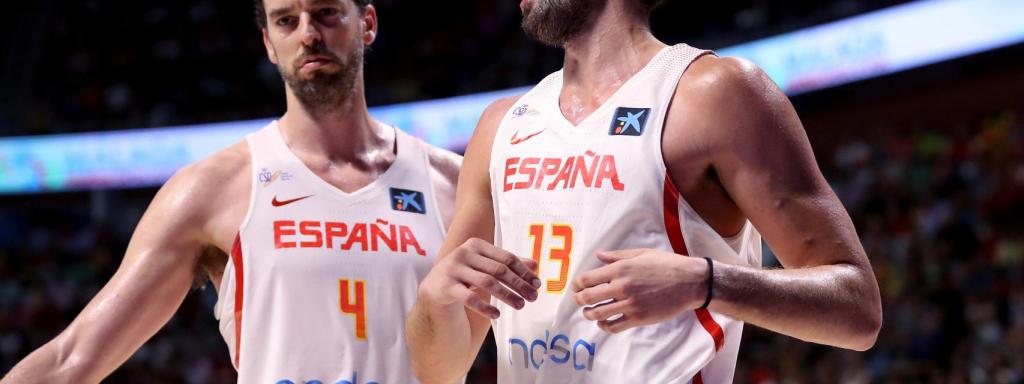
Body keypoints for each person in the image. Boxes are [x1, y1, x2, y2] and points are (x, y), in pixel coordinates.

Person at [405, 0, 882, 382]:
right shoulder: (499, 126)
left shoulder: (714, 93)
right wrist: (435, 298)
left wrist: (704, 282)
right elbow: (439, 371)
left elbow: (856, 308)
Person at [2, 0, 460, 383]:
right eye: (286, 20)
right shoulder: (212, 189)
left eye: (325, 13)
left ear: (367, 24)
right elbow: (73, 359)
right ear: (268, 43)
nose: (308, 34)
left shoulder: (451, 182)